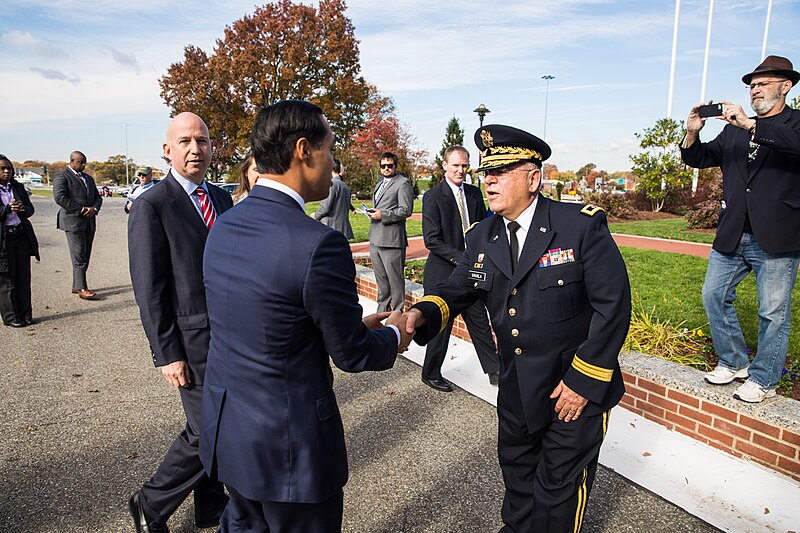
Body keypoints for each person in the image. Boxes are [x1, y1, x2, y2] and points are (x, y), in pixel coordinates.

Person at [404, 125, 631, 533]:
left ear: (533, 177)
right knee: (518, 479)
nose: (487, 181)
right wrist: (420, 314)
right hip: (516, 389)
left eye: (501, 171)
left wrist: (584, 381)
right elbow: (458, 289)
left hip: (571, 392)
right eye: (484, 173)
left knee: (557, 494)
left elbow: (613, 307)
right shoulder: (482, 236)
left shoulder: (579, 227)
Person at [200, 99, 409, 532]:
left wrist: (348, 327)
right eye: (330, 150)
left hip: (230, 435)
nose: (334, 163)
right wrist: (396, 334)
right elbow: (351, 355)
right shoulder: (318, 244)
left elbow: (265, 321)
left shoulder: (224, 224)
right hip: (289, 451)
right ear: (303, 150)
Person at [127, 112, 233, 532]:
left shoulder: (222, 200)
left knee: (219, 422)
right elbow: (149, 290)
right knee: (207, 427)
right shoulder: (152, 205)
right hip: (189, 343)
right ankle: (150, 503)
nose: (196, 149)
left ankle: (210, 503)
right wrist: (166, 354)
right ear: (167, 150)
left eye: (203, 140)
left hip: (229, 337)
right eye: (185, 141)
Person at [681, 55, 800, 403]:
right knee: (714, 295)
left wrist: (750, 125)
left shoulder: (794, 124)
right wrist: (691, 133)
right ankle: (733, 361)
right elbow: (699, 158)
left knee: (773, 312)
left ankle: (764, 378)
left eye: (763, 84)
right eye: (752, 85)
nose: (755, 90)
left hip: (777, 235)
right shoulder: (733, 130)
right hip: (733, 231)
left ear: (786, 86)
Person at [420, 145, 499, 391]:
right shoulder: (433, 196)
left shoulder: (475, 195)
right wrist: (463, 258)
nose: (460, 170)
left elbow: (486, 226)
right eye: (455, 165)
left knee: (479, 322)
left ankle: (495, 371)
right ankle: (431, 373)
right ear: (445, 166)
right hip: (442, 272)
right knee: (440, 326)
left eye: (464, 165)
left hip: (471, 273)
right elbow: (431, 240)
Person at [53, 151, 102, 300]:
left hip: (89, 222)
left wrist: (94, 208)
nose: (83, 165)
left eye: (85, 162)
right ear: (73, 161)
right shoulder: (62, 176)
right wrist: (81, 210)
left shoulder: (88, 178)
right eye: (81, 162)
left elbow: (97, 198)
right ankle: (82, 288)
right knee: (79, 254)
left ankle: (76, 284)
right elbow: (60, 197)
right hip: (73, 222)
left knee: (85, 254)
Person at [368, 152, 414, 312]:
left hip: (392, 241)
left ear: (395, 166)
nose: (386, 168)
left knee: (395, 282)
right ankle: (381, 315)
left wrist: (383, 215)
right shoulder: (380, 183)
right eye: (383, 166)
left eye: (390, 165)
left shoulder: (403, 183)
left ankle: (397, 316)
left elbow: (406, 210)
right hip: (375, 239)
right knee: (381, 282)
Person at [0, 155, 39, 327]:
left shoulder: (17, 187)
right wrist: (7, 209)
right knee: (7, 279)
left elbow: (30, 209)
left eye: (9, 168)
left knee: (23, 277)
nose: (7, 171)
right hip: (4, 239)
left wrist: (22, 208)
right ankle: (11, 316)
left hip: (20, 236)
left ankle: (26, 313)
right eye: (2, 168)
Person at [313, 158, 354, 239]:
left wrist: (315, 215)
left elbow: (325, 209)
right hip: (342, 229)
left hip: (331, 228)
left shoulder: (331, 184)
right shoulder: (344, 186)